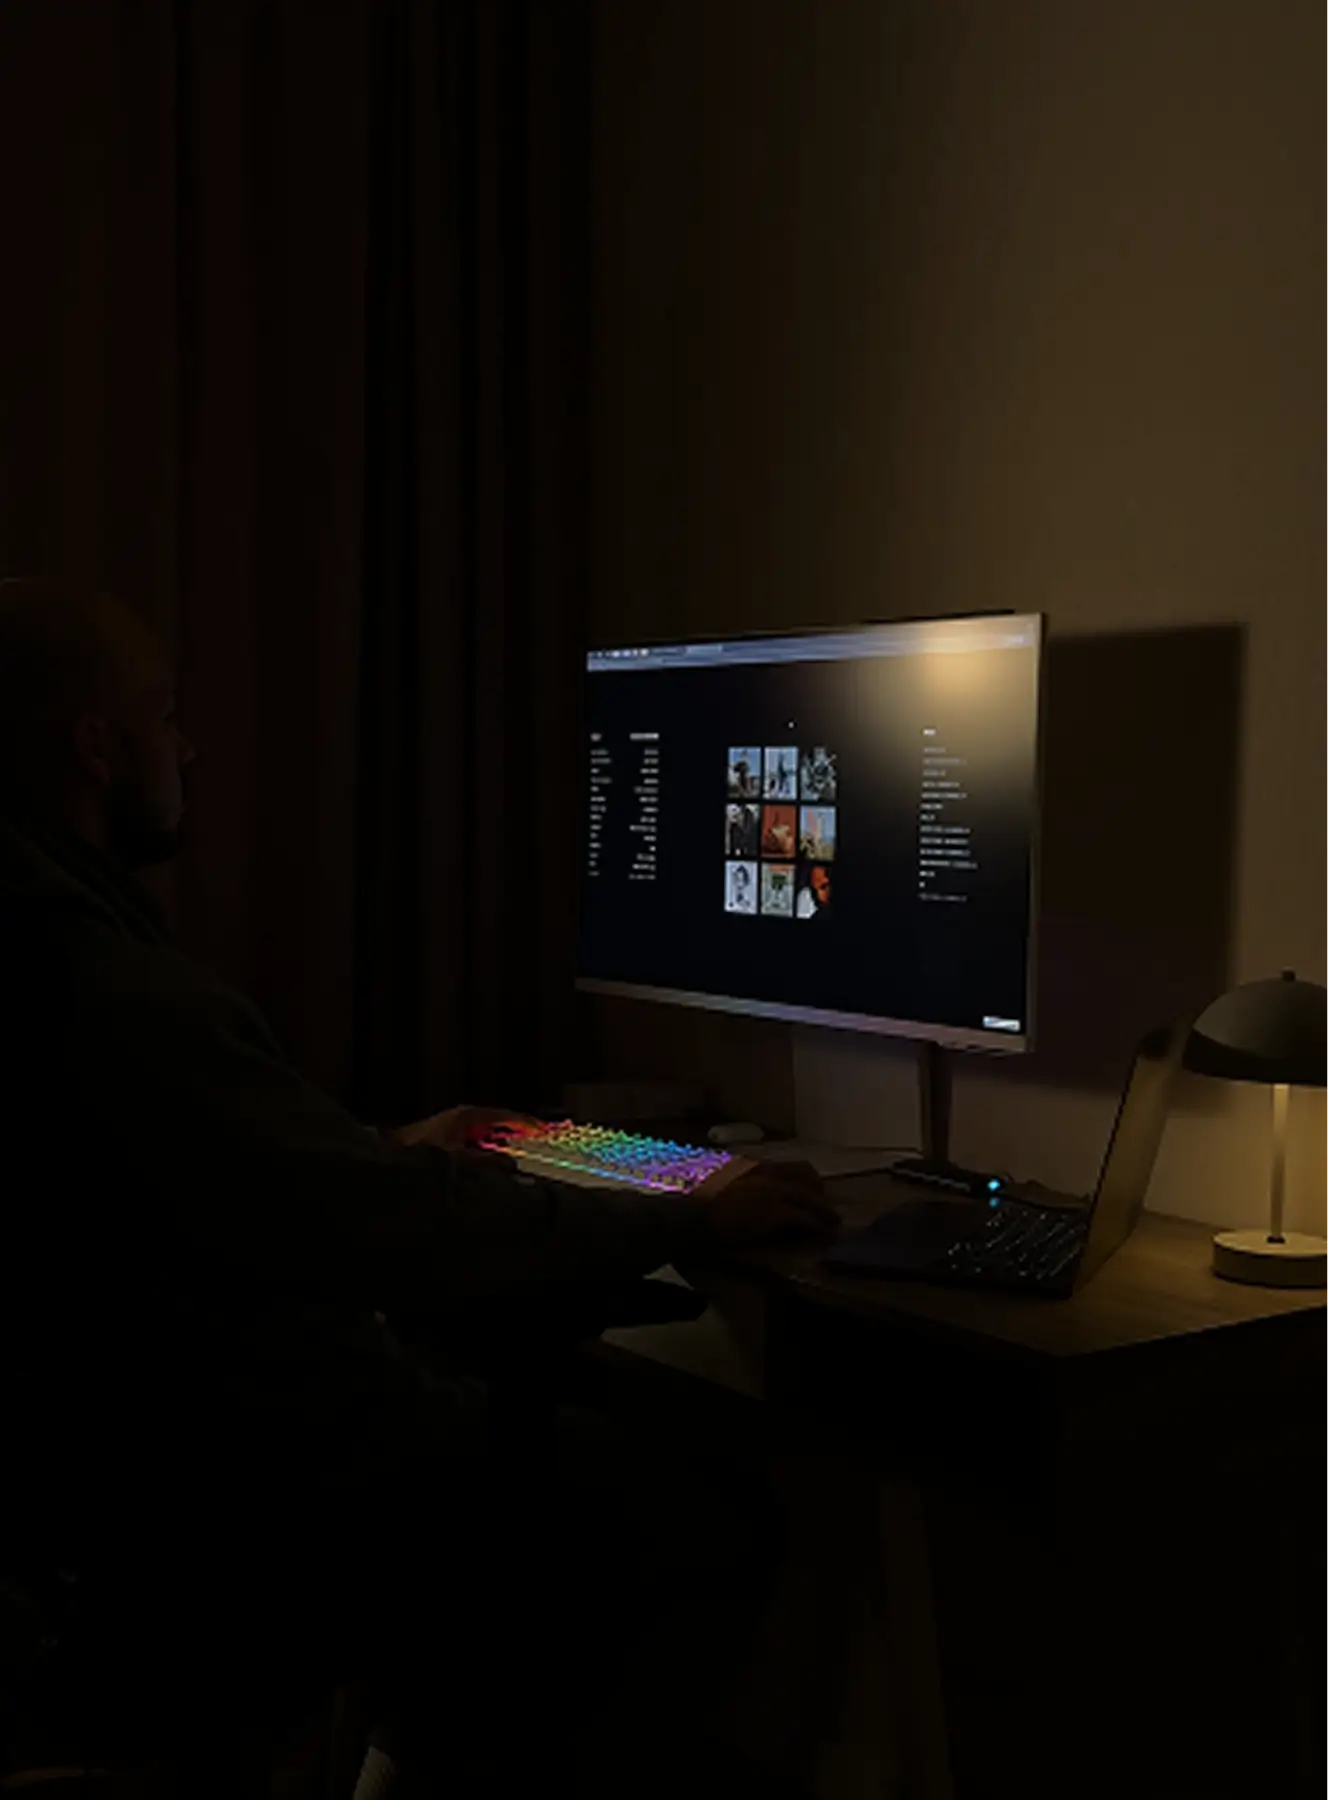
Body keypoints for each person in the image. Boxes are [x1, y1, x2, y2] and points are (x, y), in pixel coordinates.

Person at [0, 579, 835, 1795]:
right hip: (224, 1509)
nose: (183, 749)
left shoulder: (43, 936)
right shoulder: (97, 977)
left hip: (104, 1505)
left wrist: (385, 1149)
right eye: (164, 716)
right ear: (95, 745)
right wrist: (677, 1203)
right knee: (698, 1519)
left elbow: (215, 1181)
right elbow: (385, 1235)